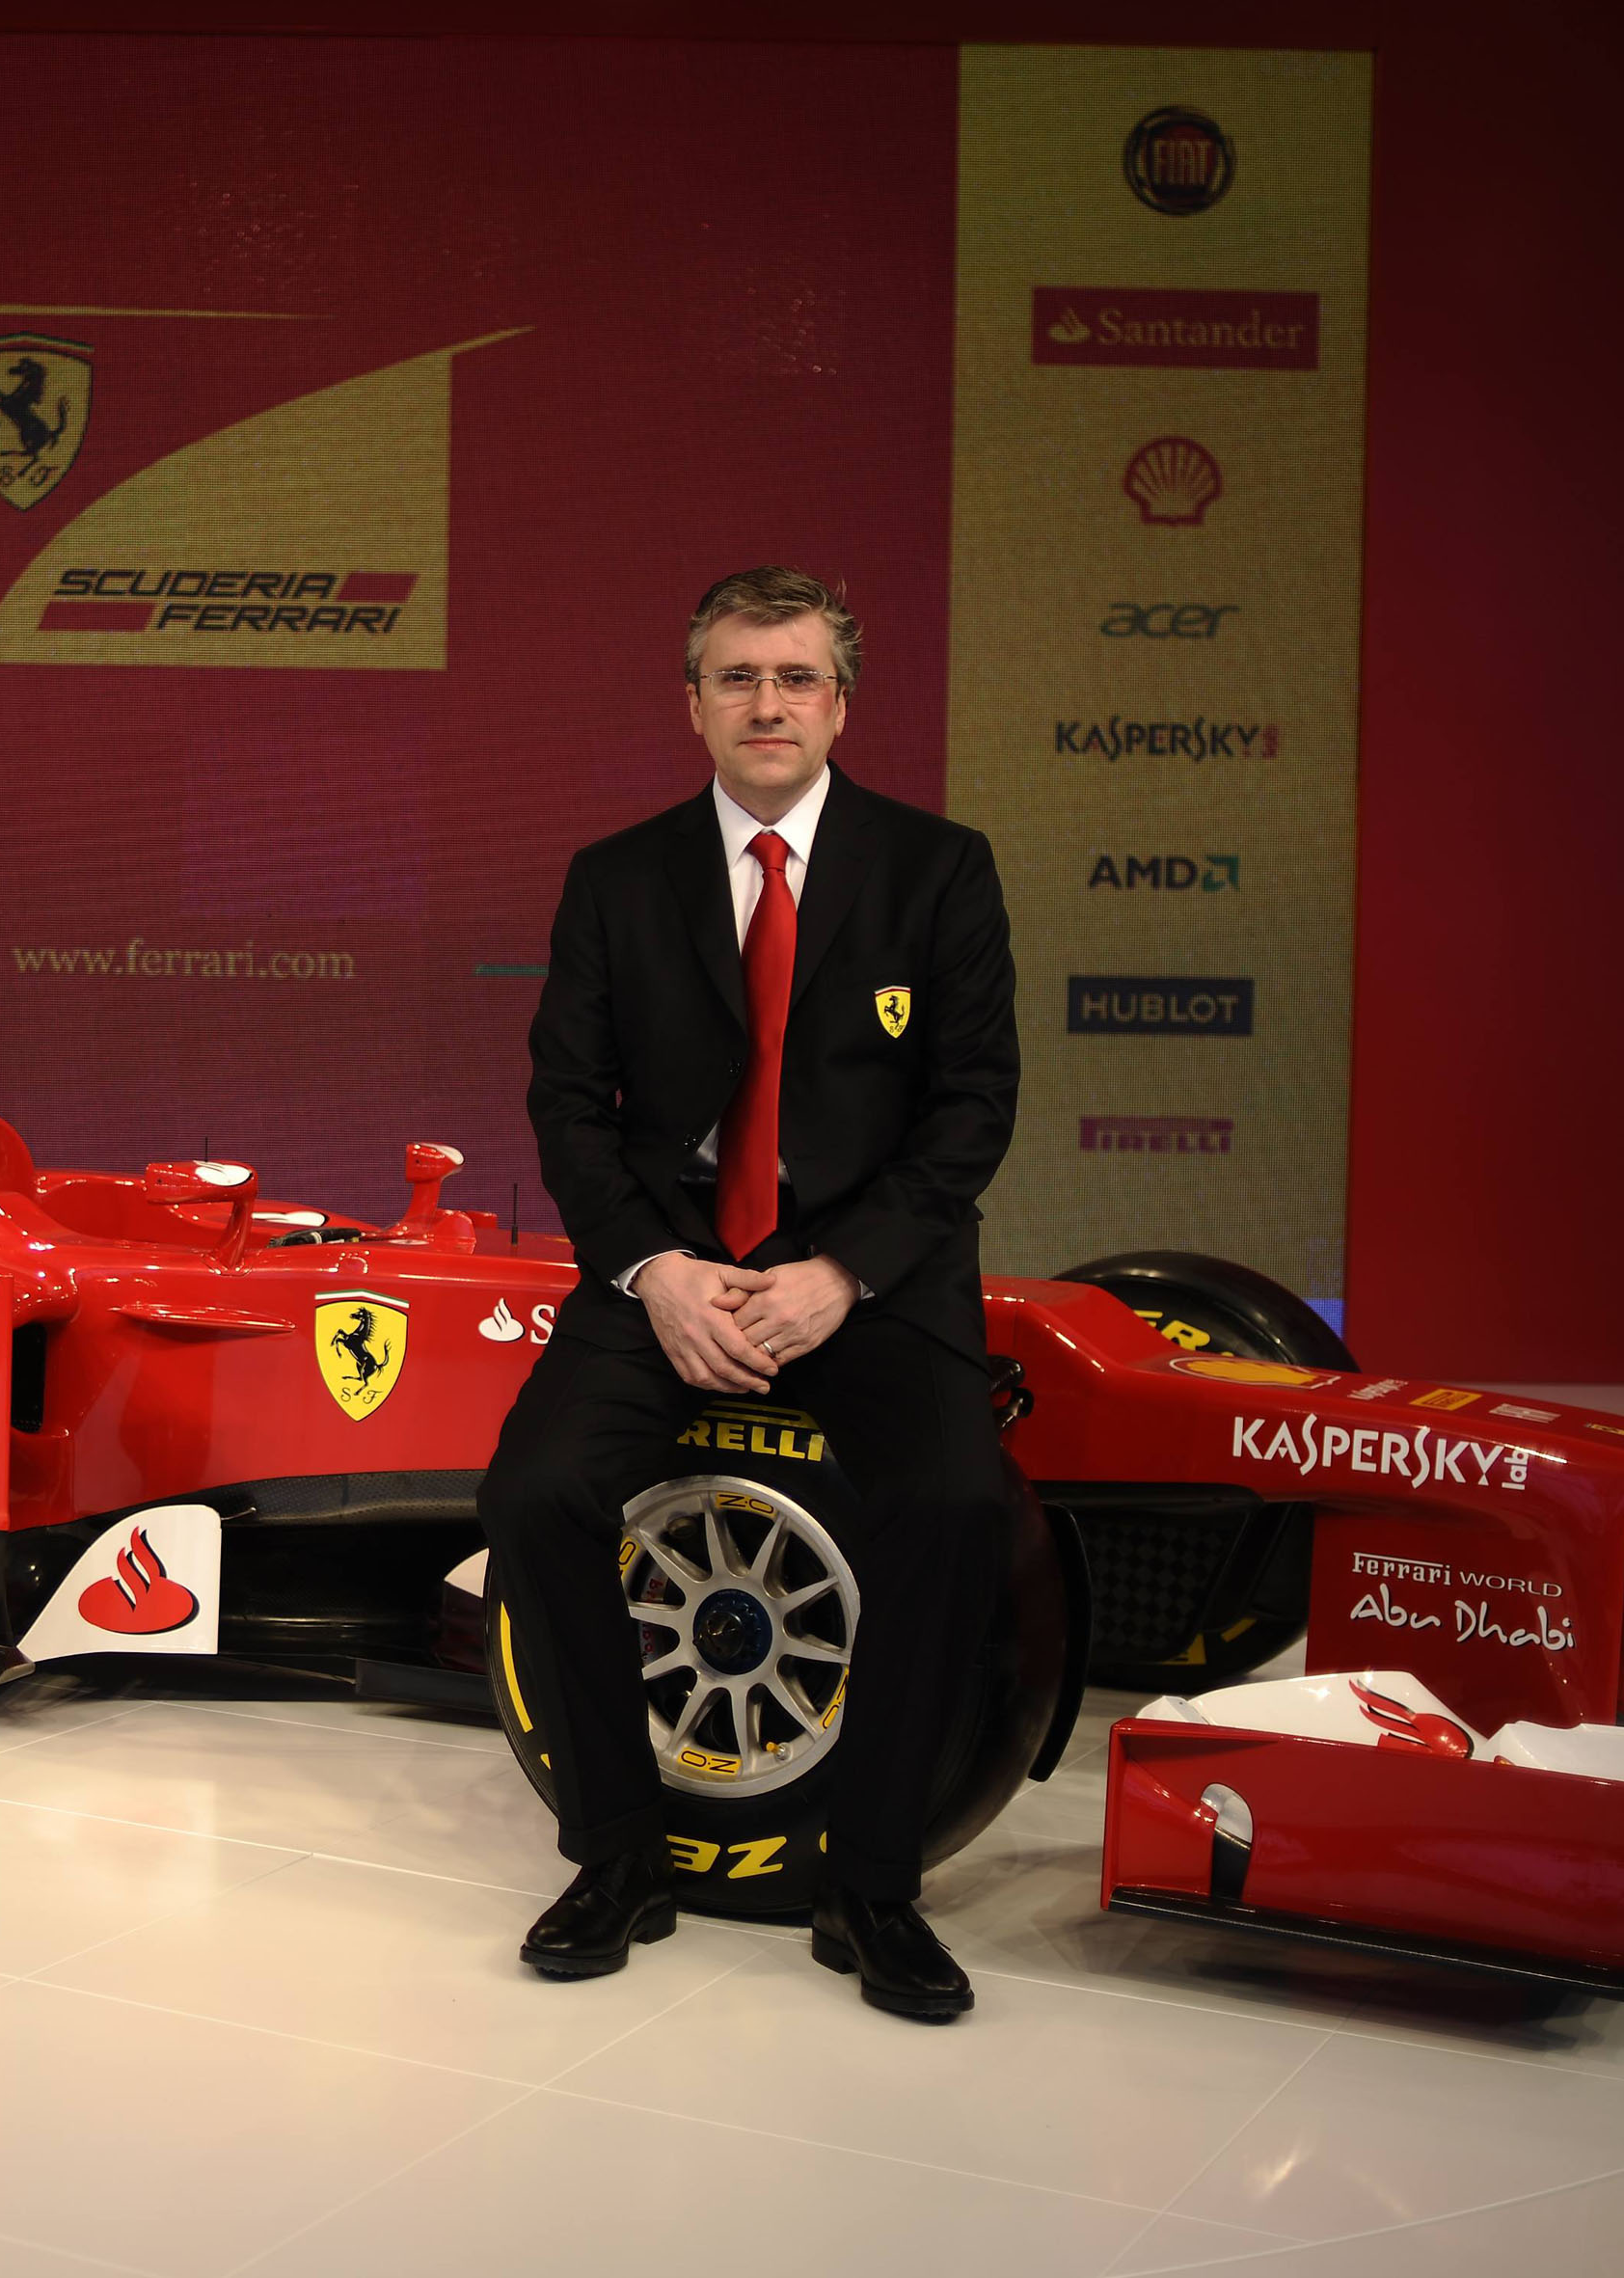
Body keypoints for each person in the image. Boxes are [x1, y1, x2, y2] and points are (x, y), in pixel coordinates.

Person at [479, 566, 1018, 2020]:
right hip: (673, 1262)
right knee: (535, 1490)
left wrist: (843, 1273)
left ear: (840, 704)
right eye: (738, 677)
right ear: (694, 704)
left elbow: (973, 1105)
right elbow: (567, 1106)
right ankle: (616, 1855)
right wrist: (653, 1272)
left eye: (795, 678)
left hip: (868, 1275)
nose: (766, 703)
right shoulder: (616, 877)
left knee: (955, 1505)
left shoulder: (941, 869)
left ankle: (872, 1883)